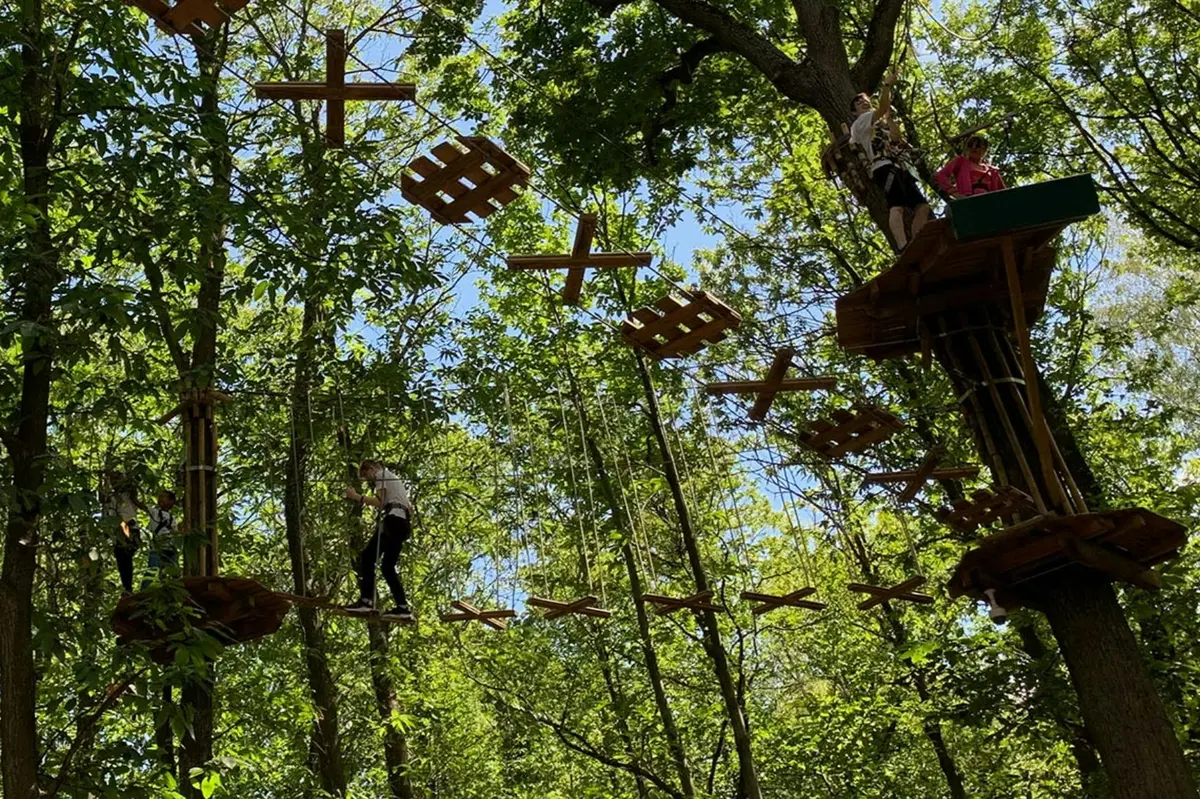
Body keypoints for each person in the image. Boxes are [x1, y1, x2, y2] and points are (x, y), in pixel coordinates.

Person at [850, 69, 932, 250]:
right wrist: (886, 85)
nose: (863, 102)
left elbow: (896, 137)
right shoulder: (860, 123)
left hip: (900, 166)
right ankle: (903, 246)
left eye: (865, 100)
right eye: (858, 102)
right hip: (883, 166)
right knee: (897, 206)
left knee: (922, 206)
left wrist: (890, 119)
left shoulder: (879, 124)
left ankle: (917, 240)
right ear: (854, 112)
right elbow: (881, 108)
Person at [344, 460, 413, 620]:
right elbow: (409, 508)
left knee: (367, 557)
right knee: (387, 567)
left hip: (393, 520)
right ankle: (403, 607)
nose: (370, 479)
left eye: (367, 475)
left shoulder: (381, 474)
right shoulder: (395, 480)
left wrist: (356, 497)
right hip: (402, 523)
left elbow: (379, 502)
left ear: (372, 468)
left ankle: (366, 602)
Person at [101, 470, 145, 596]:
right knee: (121, 557)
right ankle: (127, 588)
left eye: (117, 479)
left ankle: (129, 587)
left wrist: (123, 476)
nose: (114, 482)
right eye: (112, 480)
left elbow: (133, 488)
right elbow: (102, 499)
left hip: (130, 528)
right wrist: (103, 480)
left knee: (126, 554)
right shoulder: (111, 497)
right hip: (118, 530)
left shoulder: (128, 494)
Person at [935, 134, 1006, 199]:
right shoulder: (960, 162)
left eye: (977, 145)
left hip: (990, 203)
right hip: (968, 200)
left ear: (984, 149)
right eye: (970, 145)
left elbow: (1004, 194)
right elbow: (941, 175)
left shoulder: (992, 170)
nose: (973, 148)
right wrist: (953, 192)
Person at [142, 490, 178, 588]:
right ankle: (144, 591)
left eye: (163, 497)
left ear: (171, 501)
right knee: (152, 570)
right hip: (157, 547)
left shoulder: (172, 518)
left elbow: (175, 533)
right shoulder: (154, 512)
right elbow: (141, 506)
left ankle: (171, 591)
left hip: (170, 548)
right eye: (159, 497)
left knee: (173, 572)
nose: (160, 499)